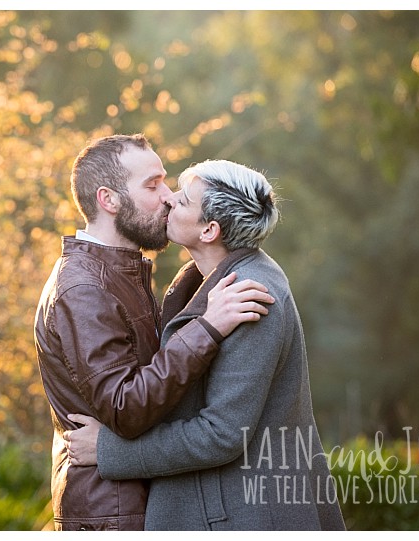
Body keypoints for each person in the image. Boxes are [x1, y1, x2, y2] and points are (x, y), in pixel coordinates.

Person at [64, 159, 346, 531]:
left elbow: (222, 434)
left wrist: (108, 450)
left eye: (183, 201)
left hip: (242, 519)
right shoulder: (204, 280)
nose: (169, 201)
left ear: (210, 229)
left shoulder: (251, 295)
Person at [34, 135, 276, 531]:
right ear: (108, 200)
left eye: (166, 182)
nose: (167, 196)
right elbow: (125, 409)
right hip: (110, 513)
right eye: (152, 185)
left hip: (129, 501)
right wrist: (208, 328)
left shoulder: (119, 272)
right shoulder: (84, 290)